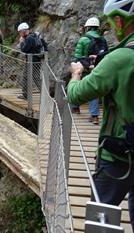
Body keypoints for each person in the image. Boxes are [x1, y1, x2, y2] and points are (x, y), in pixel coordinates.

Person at [68, 0, 134, 230]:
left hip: (119, 154)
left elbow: (75, 95)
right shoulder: (112, 51)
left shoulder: (120, 58)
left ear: (119, 20)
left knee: (101, 215)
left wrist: (77, 73)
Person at [71, 17, 109, 125]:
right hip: (98, 67)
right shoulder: (102, 39)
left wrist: (77, 66)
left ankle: (75, 108)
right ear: (97, 27)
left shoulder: (83, 39)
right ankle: (95, 116)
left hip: (84, 67)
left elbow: (77, 56)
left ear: (87, 27)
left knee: (77, 84)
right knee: (94, 89)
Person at [17, 22, 45, 99]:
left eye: (20, 32)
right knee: (35, 77)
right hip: (37, 60)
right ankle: (45, 94)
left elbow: (24, 49)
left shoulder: (29, 38)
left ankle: (25, 94)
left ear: (23, 31)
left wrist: (21, 42)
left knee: (26, 77)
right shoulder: (34, 35)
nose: (19, 34)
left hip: (31, 61)